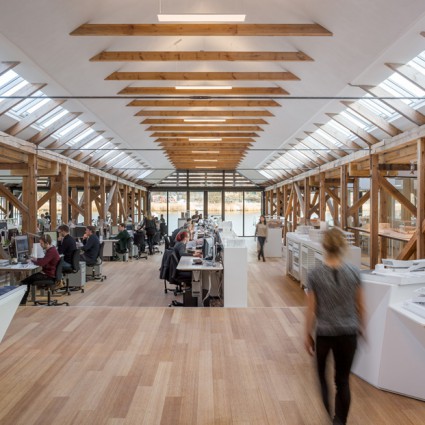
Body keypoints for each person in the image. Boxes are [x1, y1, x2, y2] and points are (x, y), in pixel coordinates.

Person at [304, 227, 365, 425]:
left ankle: (330, 412)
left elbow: (311, 310)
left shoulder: (315, 274)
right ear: (343, 246)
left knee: (322, 376)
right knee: (343, 380)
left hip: (324, 332)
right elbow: (360, 306)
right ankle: (339, 420)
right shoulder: (355, 272)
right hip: (349, 333)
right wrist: (362, 328)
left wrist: (307, 334)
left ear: (324, 246)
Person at [19, 234, 60, 305]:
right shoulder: (52, 249)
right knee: (27, 280)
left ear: (47, 243)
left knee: (24, 282)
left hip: (48, 275)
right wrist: (36, 259)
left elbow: (42, 263)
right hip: (50, 274)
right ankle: (22, 301)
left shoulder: (51, 251)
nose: (40, 245)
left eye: (41, 243)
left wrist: (32, 261)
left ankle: (22, 303)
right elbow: (45, 260)